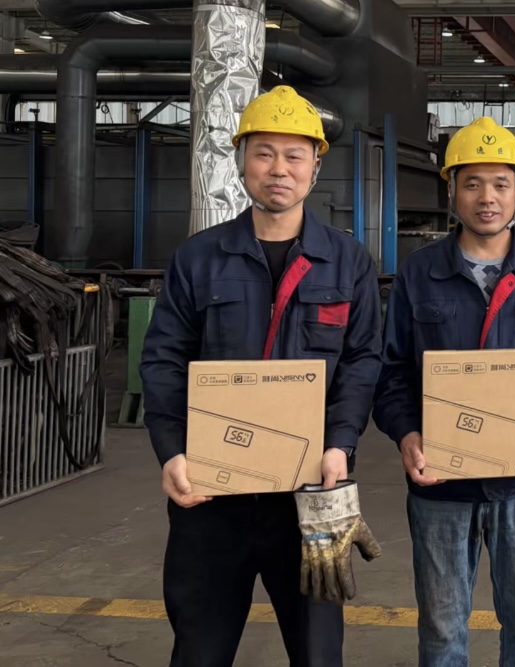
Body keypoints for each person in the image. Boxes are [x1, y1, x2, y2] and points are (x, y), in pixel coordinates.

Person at [139, 85, 383, 667]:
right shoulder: (198, 259)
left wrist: (340, 444)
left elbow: (362, 360)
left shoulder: (348, 262)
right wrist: (172, 452)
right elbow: (163, 360)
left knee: (318, 653)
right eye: (264, 153)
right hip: (212, 495)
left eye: (295, 155)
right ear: (241, 159)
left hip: (309, 495)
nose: (279, 169)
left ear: (315, 166)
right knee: (199, 651)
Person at [372, 116, 515, 666]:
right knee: (442, 631)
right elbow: (390, 369)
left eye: (500, 183)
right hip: (441, 488)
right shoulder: (420, 274)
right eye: (472, 183)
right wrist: (406, 434)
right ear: (452, 190)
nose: (487, 198)